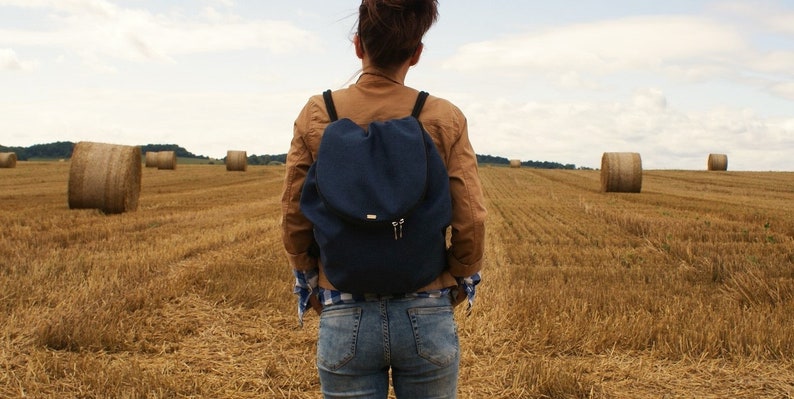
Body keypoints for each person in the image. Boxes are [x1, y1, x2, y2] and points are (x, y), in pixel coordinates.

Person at [280, 1, 486, 397]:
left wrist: (311, 278)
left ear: (358, 46)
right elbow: (471, 218)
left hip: (343, 310)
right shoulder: (444, 116)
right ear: (417, 52)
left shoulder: (317, 112)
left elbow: (293, 213)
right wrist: (459, 277)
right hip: (426, 307)